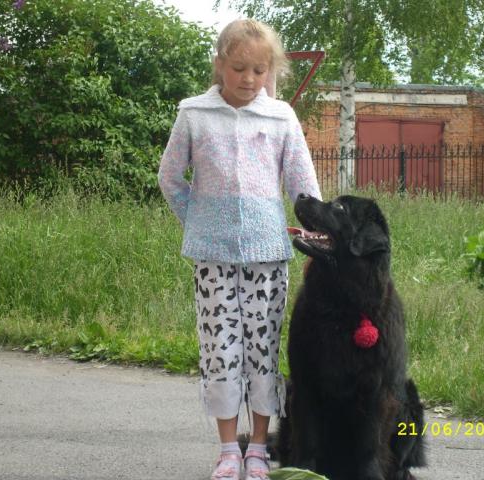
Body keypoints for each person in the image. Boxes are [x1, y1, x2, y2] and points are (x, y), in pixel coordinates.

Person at [157, 19, 321, 480]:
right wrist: (198, 221)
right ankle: (228, 447)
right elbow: (170, 179)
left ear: (271, 70)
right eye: (239, 68)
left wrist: (319, 237)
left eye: (259, 69)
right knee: (220, 350)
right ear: (219, 66)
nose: (249, 79)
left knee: (262, 351)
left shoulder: (281, 117)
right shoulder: (193, 114)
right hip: (212, 258)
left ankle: (257, 449)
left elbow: (303, 185)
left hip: (269, 256)